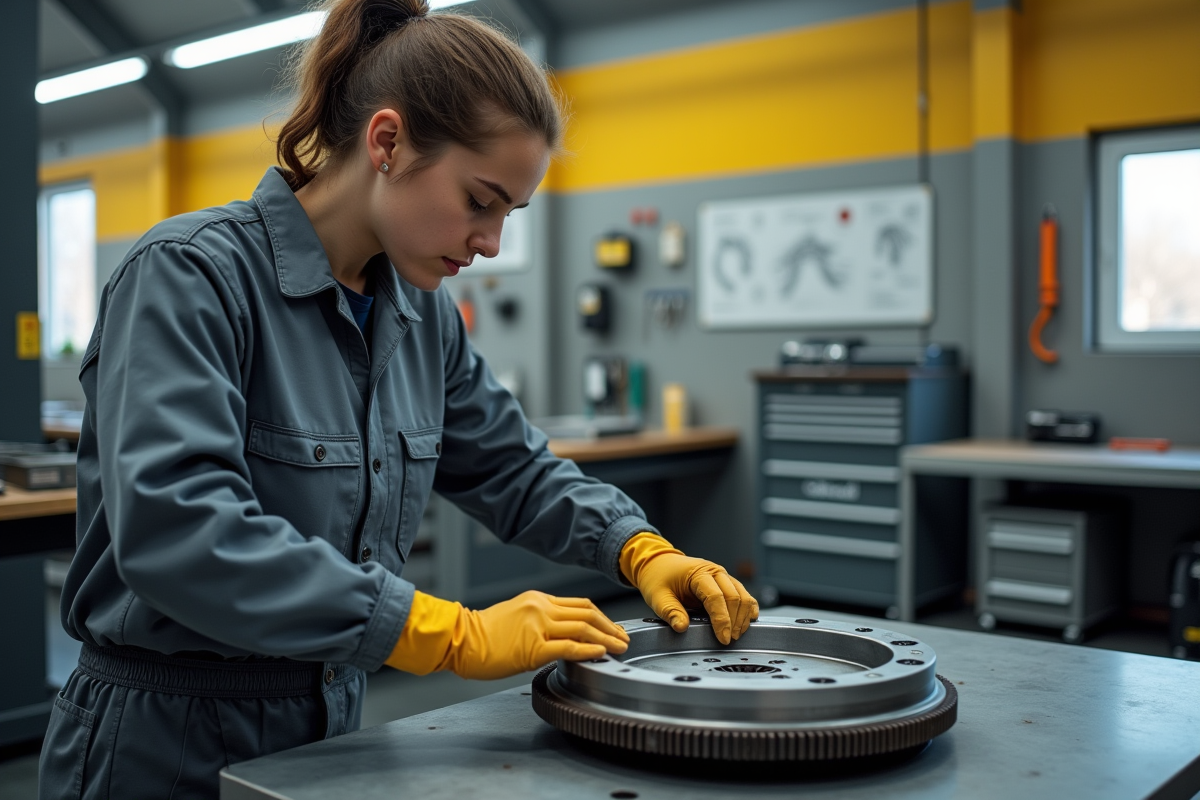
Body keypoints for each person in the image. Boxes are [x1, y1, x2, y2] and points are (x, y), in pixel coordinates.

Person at [38, 0, 758, 796]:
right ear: (387, 142)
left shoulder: (419, 316)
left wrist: (638, 547)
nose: (491, 242)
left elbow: (514, 469)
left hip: (328, 723)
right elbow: (180, 531)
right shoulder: (191, 276)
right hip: (163, 739)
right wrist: (444, 632)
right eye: (480, 200)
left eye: (509, 213)